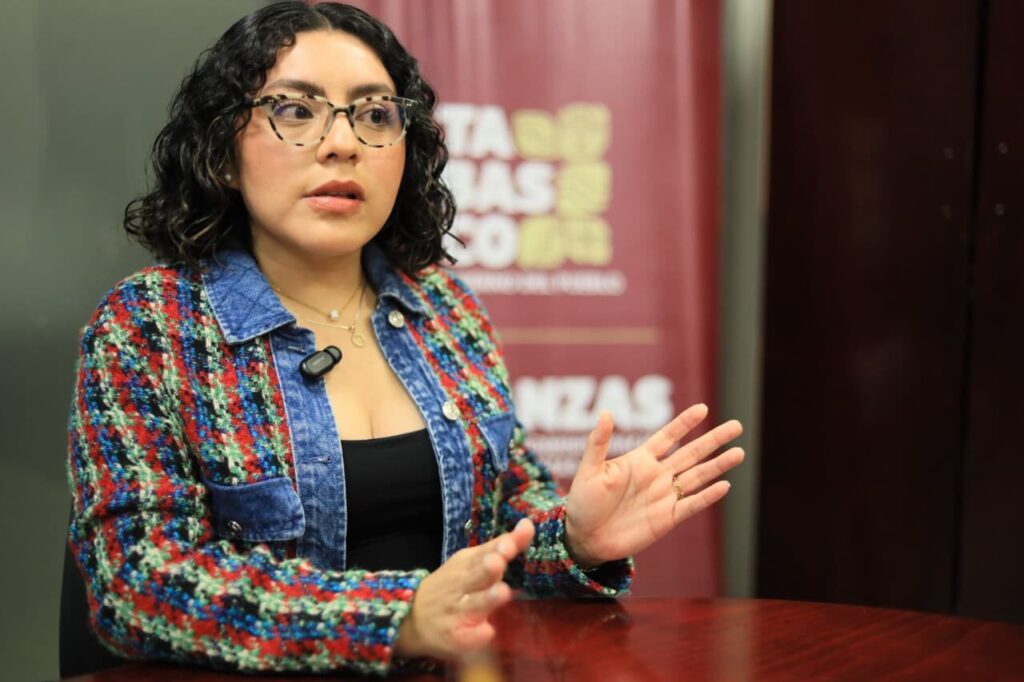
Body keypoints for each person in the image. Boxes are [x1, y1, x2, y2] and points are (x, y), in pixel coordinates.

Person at [66, 1, 744, 675]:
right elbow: (138, 582)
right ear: (222, 149)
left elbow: (506, 518)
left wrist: (571, 537)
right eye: (296, 110)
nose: (342, 143)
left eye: (374, 115)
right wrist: (399, 617)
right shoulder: (149, 326)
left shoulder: (444, 308)